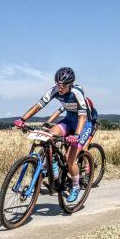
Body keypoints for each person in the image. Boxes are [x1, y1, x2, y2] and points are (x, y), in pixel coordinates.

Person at [14, 67, 94, 203]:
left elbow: (82, 116)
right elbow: (39, 105)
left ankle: (76, 186)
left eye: (63, 86)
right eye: (58, 84)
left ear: (70, 85)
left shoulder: (77, 93)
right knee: (50, 135)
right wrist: (22, 119)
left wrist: (76, 135)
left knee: (70, 158)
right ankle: (53, 164)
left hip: (83, 124)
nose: (60, 88)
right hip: (68, 121)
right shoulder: (54, 90)